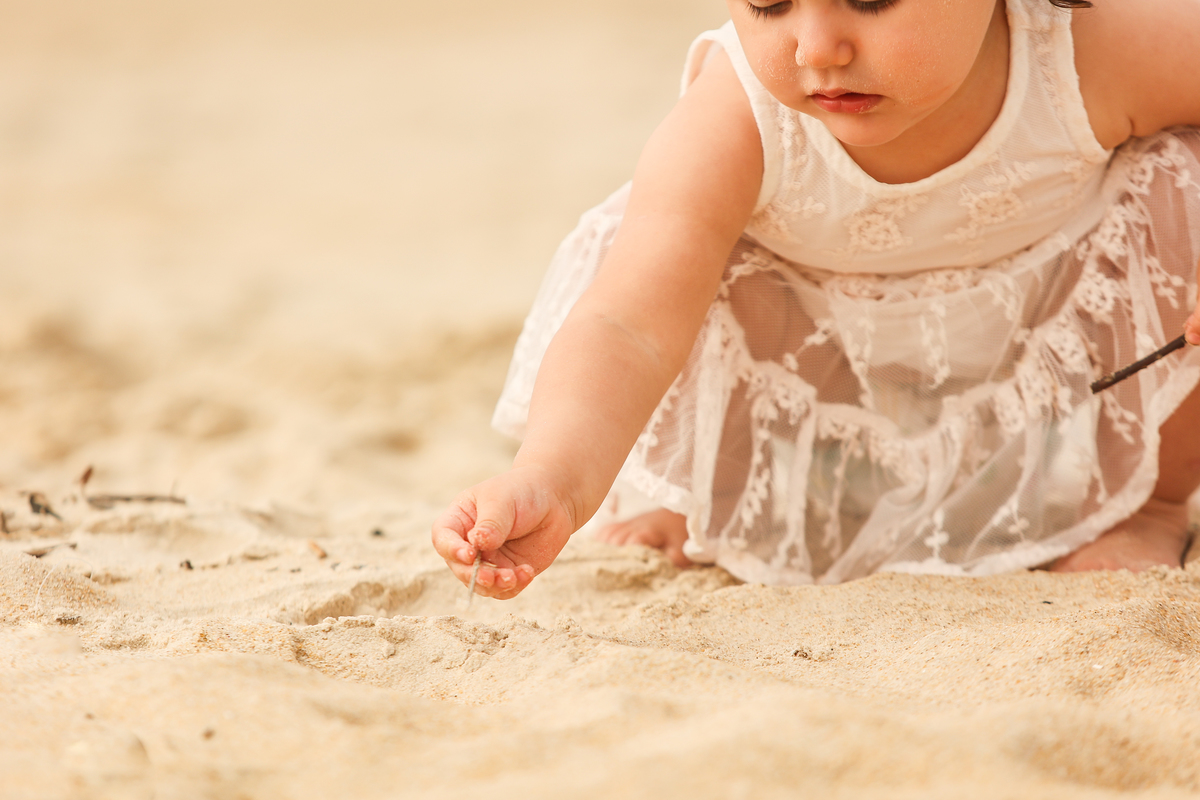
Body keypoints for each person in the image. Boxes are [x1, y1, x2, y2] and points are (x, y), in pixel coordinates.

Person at [432, 0, 1200, 599]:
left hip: (1043, 314)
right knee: (682, 268)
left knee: (1185, 175)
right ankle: (699, 498)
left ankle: (1150, 506)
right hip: (819, 339)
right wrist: (555, 478)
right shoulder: (737, 119)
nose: (817, 48)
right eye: (770, 2)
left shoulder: (1089, 50)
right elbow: (628, 324)